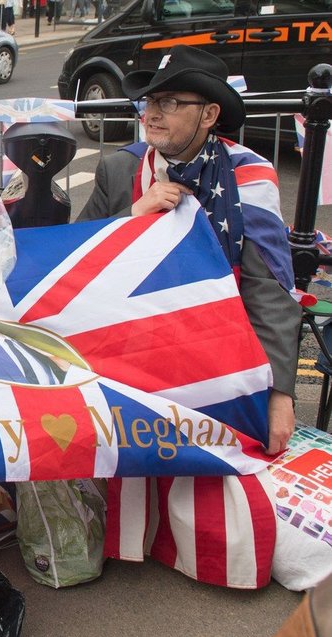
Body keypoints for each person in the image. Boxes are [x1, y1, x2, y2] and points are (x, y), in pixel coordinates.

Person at [79, 45, 299, 456]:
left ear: (209, 115)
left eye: (170, 102)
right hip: (125, 359)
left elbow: (267, 291)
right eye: (149, 101)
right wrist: (132, 219)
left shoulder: (248, 176)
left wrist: (281, 393)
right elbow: (74, 263)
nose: (152, 114)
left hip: (214, 358)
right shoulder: (121, 167)